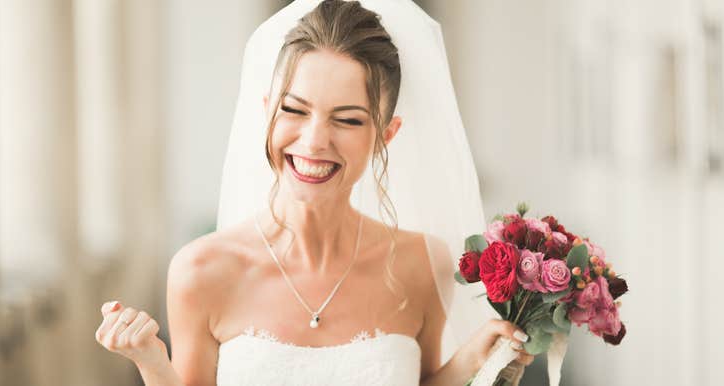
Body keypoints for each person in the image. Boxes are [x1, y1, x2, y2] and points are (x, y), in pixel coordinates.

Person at [95, 1, 534, 385]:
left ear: (386, 133)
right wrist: (151, 362)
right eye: (294, 110)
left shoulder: (424, 263)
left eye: (347, 120)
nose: (313, 141)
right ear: (267, 109)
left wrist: (474, 361)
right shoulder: (200, 270)